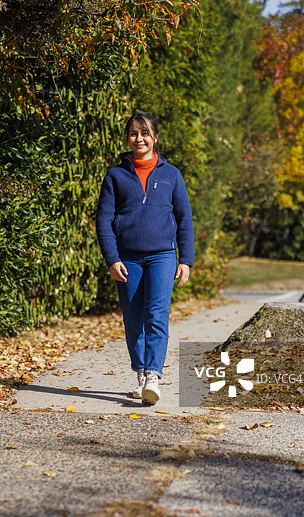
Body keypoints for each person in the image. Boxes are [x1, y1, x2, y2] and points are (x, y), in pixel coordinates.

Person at [95, 111, 194, 405]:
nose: (139, 139)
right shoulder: (115, 175)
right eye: (134, 134)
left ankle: (153, 375)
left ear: (155, 138)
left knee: (157, 315)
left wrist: (185, 260)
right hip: (127, 259)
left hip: (163, 256)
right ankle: (141, 373)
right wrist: (112, 258)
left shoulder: (171, 174)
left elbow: (184, 218)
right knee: (133, 319)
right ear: (128, 138)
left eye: (145, 133)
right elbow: (103, 221)